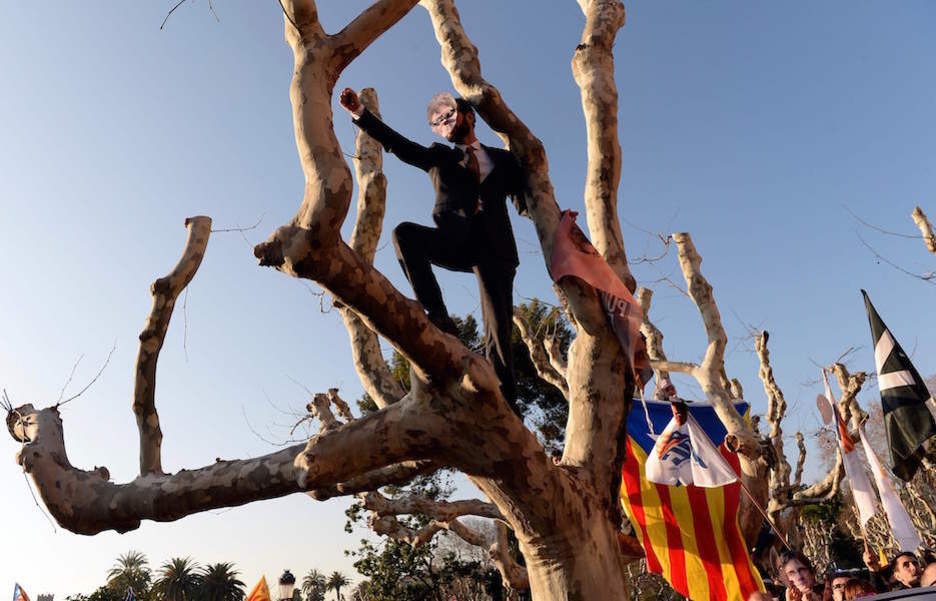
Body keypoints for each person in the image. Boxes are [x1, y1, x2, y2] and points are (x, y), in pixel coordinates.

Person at [339, 88, 526, 408]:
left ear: (468, 117)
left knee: (498, 335)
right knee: (405, 235)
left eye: (449, 116)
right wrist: (360, 114)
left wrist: (558, 221)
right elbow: (401, 147)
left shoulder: (503, 160)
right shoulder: (440, 155)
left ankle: (506, 407)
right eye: (439, 121)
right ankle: (440, 321)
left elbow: (527, 199)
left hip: (495, 251)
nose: (444, 123)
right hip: (456, 241)